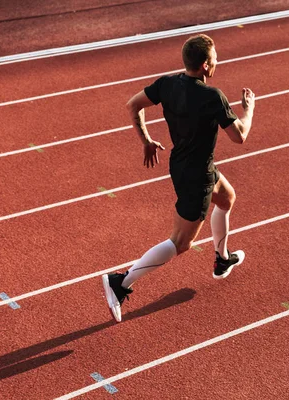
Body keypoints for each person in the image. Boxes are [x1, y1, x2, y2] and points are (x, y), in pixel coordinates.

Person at [102, 33, 255, 322]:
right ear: (207, 66)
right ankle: (120, 283)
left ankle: (223, 258)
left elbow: (133, 105)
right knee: (180, 243)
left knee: (227, 198)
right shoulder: (213, 97)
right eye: (216, 58)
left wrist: (146, 140)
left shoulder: (167, 84)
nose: (218, 61)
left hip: (184, 165)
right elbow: (240, 136)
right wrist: (248, 110)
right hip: (198, 176)